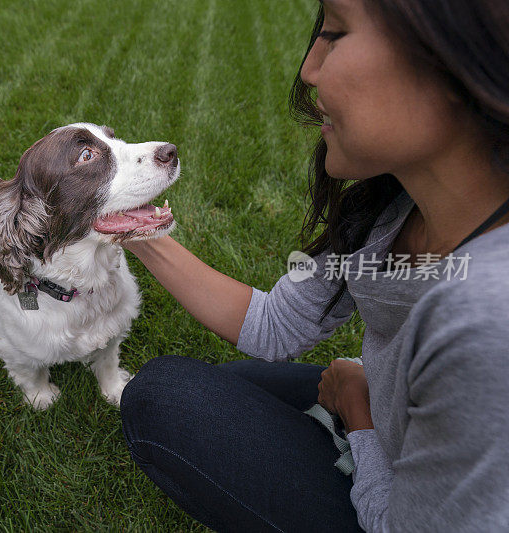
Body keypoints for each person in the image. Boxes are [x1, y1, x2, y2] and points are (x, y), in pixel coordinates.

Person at [119, 0, 509, 531]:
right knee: (230, 386)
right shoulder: (389, 210)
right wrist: (133, 226)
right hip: (394, 416)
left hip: (395, 502)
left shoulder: (487, 316)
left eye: (336, 32)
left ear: (453, 58)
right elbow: (276, 324)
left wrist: (362, 421)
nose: (308, 69)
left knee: (164, 398)